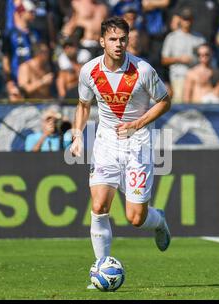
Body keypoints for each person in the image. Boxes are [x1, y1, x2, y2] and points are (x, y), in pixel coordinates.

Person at [70, 17, 171, 289]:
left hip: (137, 145)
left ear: (128, 40)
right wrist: (78, 135)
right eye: (113, 39)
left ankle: (159, 220)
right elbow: (83, 105)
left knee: (136, 218)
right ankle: (100, 267)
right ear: (101, 41)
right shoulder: (89, 71)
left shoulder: (143, 70)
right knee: (99, 205)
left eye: (123, 39)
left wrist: (137, 124)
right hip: (105, 144)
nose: (118, 44)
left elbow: (165, 101)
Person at [161, 8, 206, 103]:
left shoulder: (199, 38)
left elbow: (207, 56)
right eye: (185, 19)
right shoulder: (172, 37)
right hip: (178, 76)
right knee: (180, 103)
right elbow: (164, 60)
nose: (187, 21)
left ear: (192, 20)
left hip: (196, 78)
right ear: (180, 20)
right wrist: (179, 59)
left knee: (197, 104)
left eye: (189, 19)